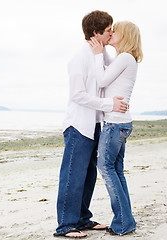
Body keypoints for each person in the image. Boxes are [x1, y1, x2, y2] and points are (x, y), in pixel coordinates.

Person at [54, 10, 129, 239]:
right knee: (72, 176)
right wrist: (109, 104)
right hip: (78, 125)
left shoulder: (101, 53)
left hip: (96, 124)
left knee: (88, 176)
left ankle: (83, 218)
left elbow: (110, 75)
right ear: (96, 32)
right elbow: (77, 95)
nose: (112, 33)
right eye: (108, 30)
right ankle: (66, 225)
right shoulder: (79, 57)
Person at [88, 21, 143, 235]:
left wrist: (96, 54)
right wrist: (102, 52)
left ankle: (124, 222)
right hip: (120, 122)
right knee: (116, 171)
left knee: (107, 169)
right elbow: (107, 72)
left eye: (115, 31)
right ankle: (126, 220)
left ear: (125, 35)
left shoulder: (125, 58)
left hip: (115, 123)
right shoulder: (125, 59)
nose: (111, 33)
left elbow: (101, 81)